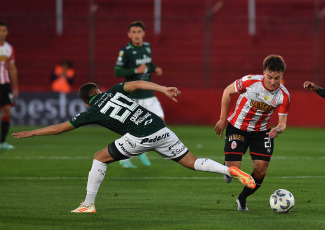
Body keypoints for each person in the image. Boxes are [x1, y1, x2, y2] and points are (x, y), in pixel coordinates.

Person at [12, 80, 256, 213]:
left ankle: (87, 205)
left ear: (87, 99)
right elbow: (138, 84)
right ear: (99, 90)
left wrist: (31, 132)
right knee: (192, 162)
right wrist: (163, 88)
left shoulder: (92, 110)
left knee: (99, 157)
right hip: (159, 127)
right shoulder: (116, 90)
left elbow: (59, 127)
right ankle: (229, 170)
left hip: (140, 136)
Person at [215, 54, 290, 211]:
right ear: (264, 72)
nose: (272, 82)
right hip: (237, 127)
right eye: (269, 77)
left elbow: (282, 124)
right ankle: (227, 166)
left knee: (261, 170)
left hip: (262, 132)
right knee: (233, 170)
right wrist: (222, 119)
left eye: (277, 78)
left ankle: (242, 199)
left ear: (282, 75)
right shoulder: (250, 81)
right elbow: (227, 92)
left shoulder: (284, 95)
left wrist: (278, 129)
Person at [114, 20, 163, 168]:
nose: (136, 35)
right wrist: (135, 71)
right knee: (133, 130)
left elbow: (148, 64)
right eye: (133, 32)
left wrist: (155, 69)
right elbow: (117, 71)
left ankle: (141, 151)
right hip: (134, 96)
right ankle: (124, 157)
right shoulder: (125, 51)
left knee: (160, 123)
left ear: (143, 34)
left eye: (139, 32)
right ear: (129, 34)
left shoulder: (147, 47)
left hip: (149, 93)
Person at [0, 22, 18, 150]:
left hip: (5, 84)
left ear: (7, 32)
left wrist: (15, 87)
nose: (1, 33)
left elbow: (12, 68)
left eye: (4, 30)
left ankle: (2, 142)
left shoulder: (9, 48)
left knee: (7, 111)